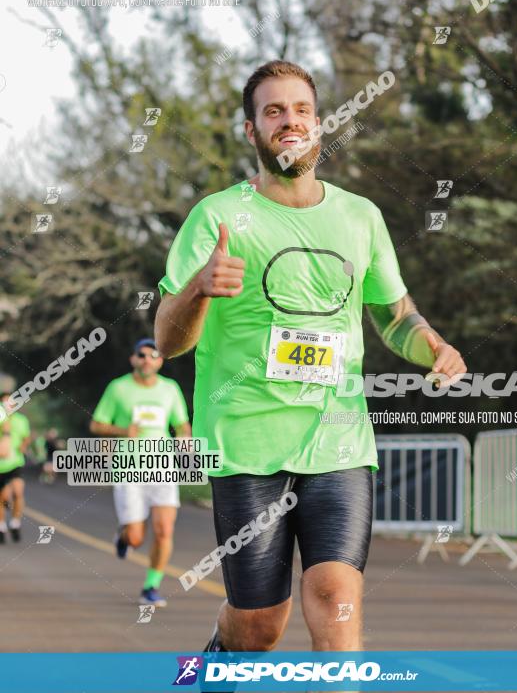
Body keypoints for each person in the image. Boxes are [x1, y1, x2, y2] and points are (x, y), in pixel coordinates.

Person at [154, 60, 467, 652]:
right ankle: (218, 657)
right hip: (245, 443)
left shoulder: (359, 216)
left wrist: (435, 348)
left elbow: (396, 316)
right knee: (259, 625)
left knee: (334, 596)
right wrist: (198, 287)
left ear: (319, 125)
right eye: (272, 111)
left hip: (339, 441)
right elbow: (169, 341)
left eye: (299, 109)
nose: (288, 121)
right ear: (251, 131)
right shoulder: (217, 217)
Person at [89, 337, 191, 607]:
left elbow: (181, 424)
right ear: (133, 359)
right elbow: (97, 425)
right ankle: (124, 537)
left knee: (164, 530)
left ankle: (150, 587)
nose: (148, 359)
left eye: (154, 355)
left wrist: (184, 438)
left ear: (160, 360)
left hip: (162, 467)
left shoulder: (170, 389)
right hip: (128, 468)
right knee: (135, 536)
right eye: (142, 355)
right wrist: (123, 431)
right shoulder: (118, 388)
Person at [0, 391, 31, 544]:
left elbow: (26, 437)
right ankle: (1, 526)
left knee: (18, 491)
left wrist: (23, 446)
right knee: (4, 498)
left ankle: (15, 523)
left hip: (16, 463)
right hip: (1, 465)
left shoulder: (21, 420)